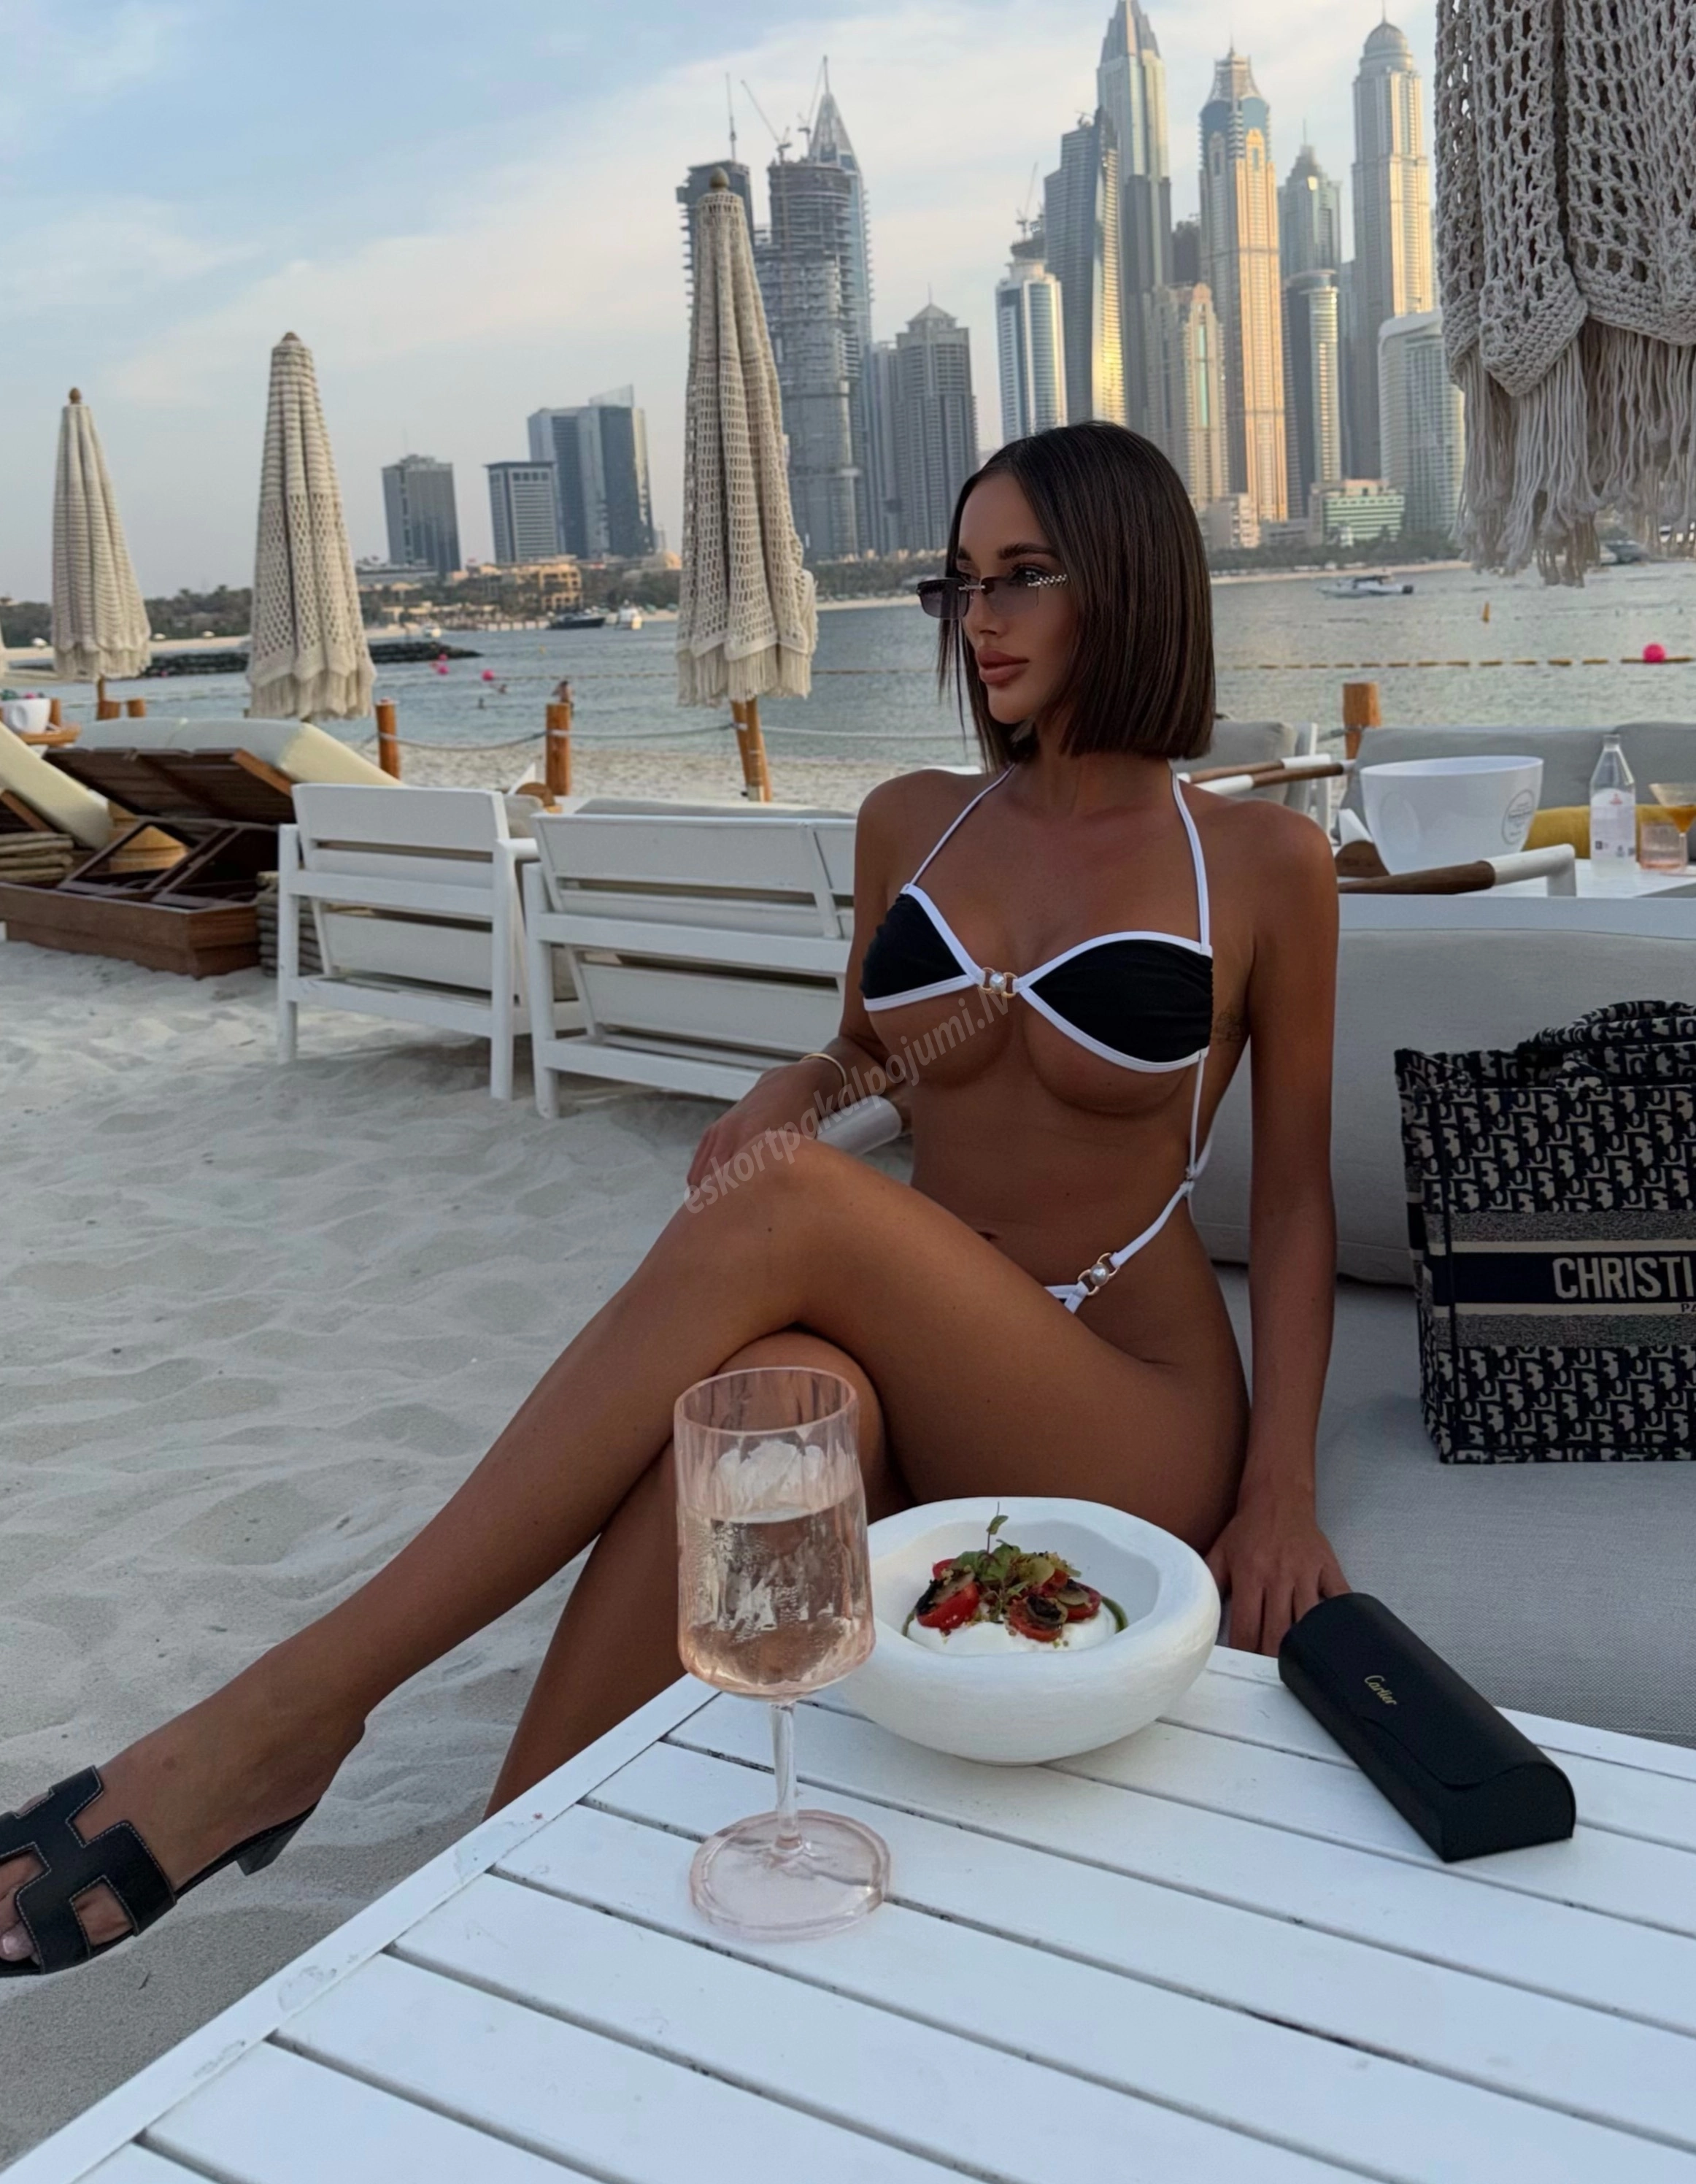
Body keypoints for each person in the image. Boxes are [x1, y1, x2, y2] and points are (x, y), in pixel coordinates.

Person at [0, 423, 1346, 1977]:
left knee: (791, 1211)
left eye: (1022, 577)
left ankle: (290, 1715)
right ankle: (484, 1910)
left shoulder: (1260, 862)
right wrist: (801, 1084)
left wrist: (1280, 1495)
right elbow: (875, 1047)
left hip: (1121, 1403)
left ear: (1131, 583)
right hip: (924, 1369)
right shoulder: (917, 819)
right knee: (766, 1399)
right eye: (959, 583)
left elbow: (1295, 1206)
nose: (978, 620)